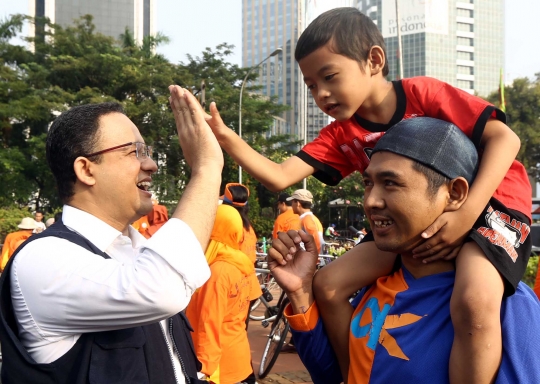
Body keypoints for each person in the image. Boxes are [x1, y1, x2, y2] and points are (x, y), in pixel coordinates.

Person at [202, 8, 532, 382]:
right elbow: (280, 177)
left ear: (374, 60)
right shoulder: (341, 134)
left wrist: (466, 215)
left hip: (491, 206)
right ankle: (353, 374)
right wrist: (226, 137)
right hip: (414, 219)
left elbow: (506, 138)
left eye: (329, 77)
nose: (321, 94)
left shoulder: (422, 93)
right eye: (311, 85)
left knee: (474, 300)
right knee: (327, 284)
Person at [267, 118, 540, 384]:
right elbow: (333, 375)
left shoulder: (508, 306)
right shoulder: (374, 286)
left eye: (391, 183)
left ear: (455, 193)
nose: (371, 201)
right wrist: (300, 291)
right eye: (368, 183)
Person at [0, 85, 223, 383]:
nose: (151, 165)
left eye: (148, 152)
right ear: (87, 170)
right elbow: (161, 290)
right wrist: (207, 167)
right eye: (135, 152)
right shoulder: (42, 259)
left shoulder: (140, 251)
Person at [186, 203, 260, 384]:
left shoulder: (216, 272)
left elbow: (209, 324)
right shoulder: (242, 263)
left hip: (219, 367)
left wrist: (205, 370)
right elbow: (253, 295)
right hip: (239, 356)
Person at [288, 189, 325, 255]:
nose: (291, 205)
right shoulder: (308, 218)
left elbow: (318, 242)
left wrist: (314, 261)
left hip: (310, 262)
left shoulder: (307, 219)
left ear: (298, 203)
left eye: (292, 202)